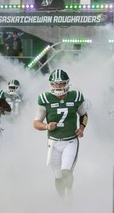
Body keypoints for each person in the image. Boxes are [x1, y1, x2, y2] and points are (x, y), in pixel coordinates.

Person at [33, 69, 88, 198]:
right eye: (55, 84)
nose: (58, 87)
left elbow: (83, 114)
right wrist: (46, 126)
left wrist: (81, 128)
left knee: (66, 171)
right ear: (50, 84)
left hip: (70, 141)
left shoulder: (75, 97)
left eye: (61, 83)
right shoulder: (45, 99)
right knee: (58, 175)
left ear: (67, 84)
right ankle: (62, 202)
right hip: (53, 143)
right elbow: (36, 123)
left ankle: (69, 192)